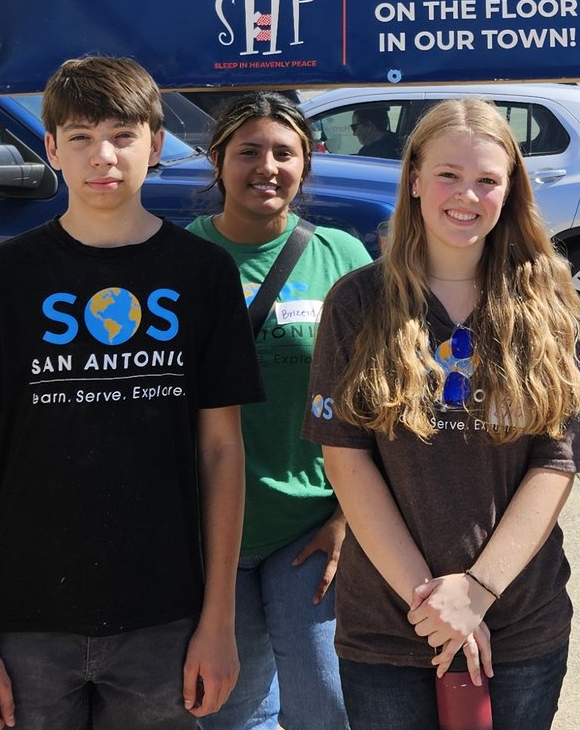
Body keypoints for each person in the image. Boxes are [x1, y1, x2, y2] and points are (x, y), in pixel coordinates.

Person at [0, 56, 263, 730]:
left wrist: (218, 621)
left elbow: (223, 453)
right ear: (50, 149)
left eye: (123, 134)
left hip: (165, 619)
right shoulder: (4, 278)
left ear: (157, 144)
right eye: (79, 137)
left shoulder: (202, 274)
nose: (102, 156)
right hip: (23, 622)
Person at [303, 98, 580, 730]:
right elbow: (346, 460)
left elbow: (557, 461)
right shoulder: (358, 300)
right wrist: (435, 606)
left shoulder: (546, 304)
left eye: (487, 179)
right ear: (414, 179)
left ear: (510, 190)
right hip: (391, 626)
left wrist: (478, 591)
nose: (468, 195)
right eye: (448, 175)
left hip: (519, 622)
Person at [187, 94, 376, 730]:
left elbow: (377, 395)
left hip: (310, 526)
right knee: (230, 711)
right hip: (208, 526)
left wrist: (350, 517)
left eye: (283, 152)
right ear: (217, 162)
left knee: (327, 701)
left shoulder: (342, 257)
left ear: (305, 164)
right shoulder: (176, 260)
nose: (266, 166)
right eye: (247, 152)